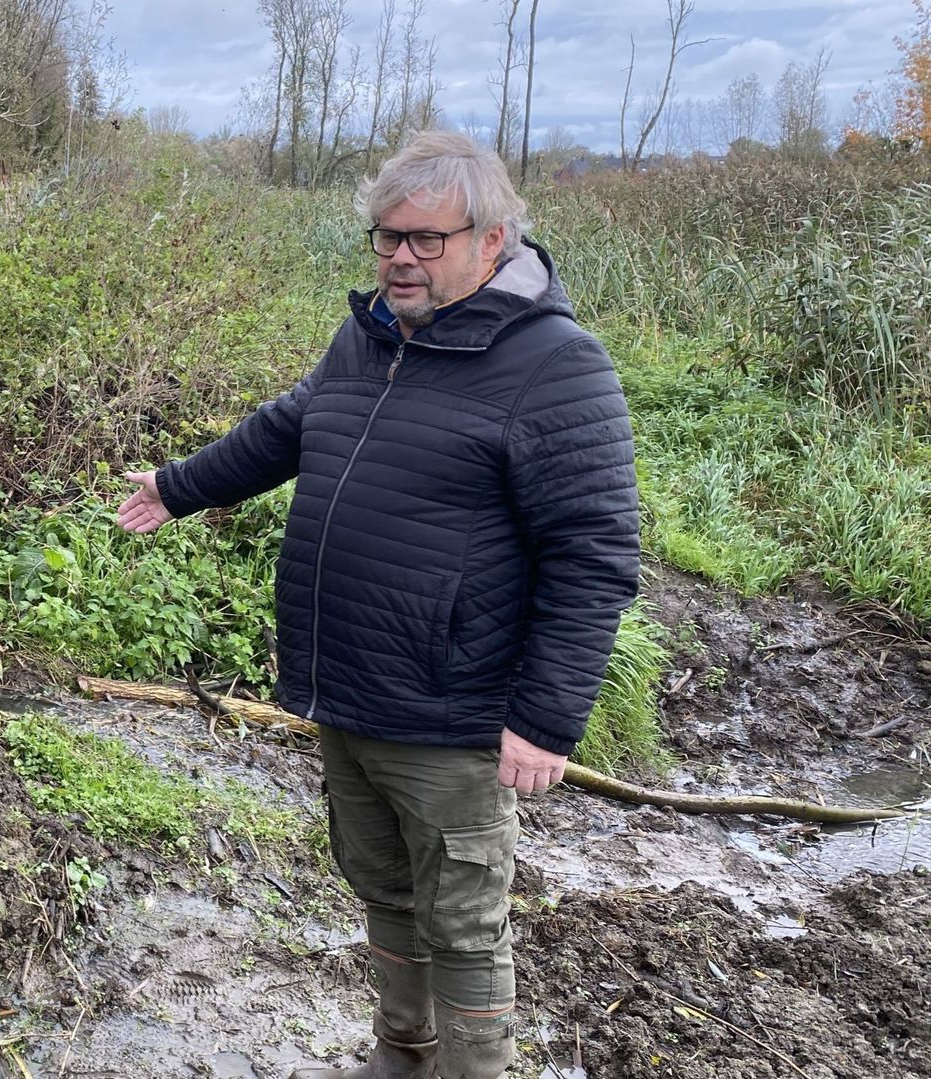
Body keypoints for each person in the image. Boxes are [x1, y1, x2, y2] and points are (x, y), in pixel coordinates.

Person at [114, 131, 640, 1079]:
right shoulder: (370, 338)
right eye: (386, 236)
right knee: (384, 891)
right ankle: (403, 1054)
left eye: (425, 239)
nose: (400, 256)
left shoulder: (557, 365)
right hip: (348, 688)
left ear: (493, 239)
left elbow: (594, 555)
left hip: (451, 710)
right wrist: (178, 484)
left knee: (465, 919)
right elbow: (292, 426)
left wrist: (546, 720)